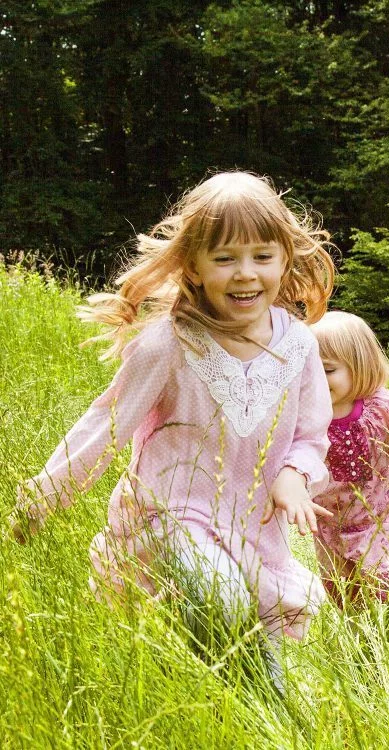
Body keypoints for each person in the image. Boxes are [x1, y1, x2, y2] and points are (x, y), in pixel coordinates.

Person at [11, 171, 336, 685]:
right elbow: (107, 423)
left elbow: (312, 435)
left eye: (262, 257)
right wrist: (44, 497)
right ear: (194, 265)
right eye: (225, 258)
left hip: (252, 526)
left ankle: (258, 714)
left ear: (285, 259)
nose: (245, 274)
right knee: (221, 597)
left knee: (248, 634)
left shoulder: (299, 345)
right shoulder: (170, 344)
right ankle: (261, 701)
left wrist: (294, 473)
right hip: (170, 515)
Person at [309, 311, 389, 607]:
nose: (316, 379)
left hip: (378, 518)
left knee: (383, 590)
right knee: (341, 592)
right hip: (329, 523)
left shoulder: (379, 405)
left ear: (359, 367)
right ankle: (356, 644)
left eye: (327, 370)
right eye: (308, 370)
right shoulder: (307, 412)